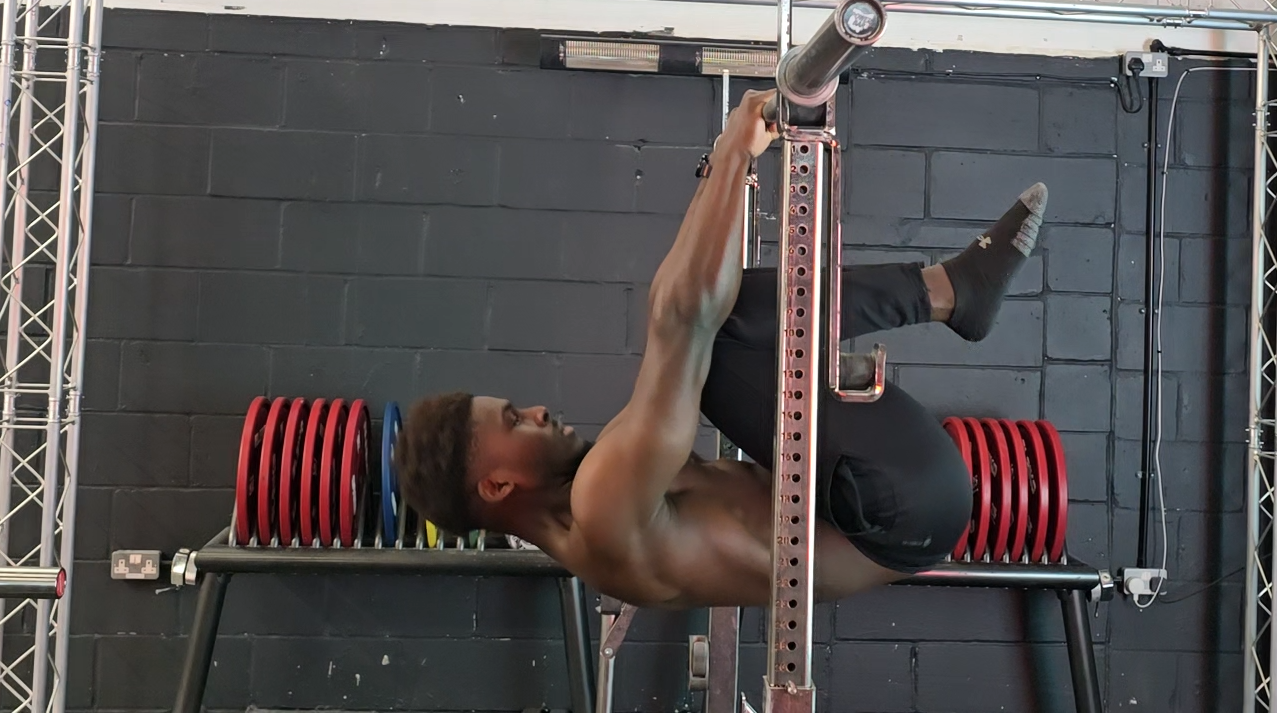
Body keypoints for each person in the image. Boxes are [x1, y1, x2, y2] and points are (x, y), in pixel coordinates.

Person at [396, 89, 1047, 609]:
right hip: (900, 507)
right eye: (514, 421)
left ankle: (950, 293)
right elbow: (680, 319)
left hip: (893, 507)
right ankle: (949, 293)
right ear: (497, 484)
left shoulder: (592, 515)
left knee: (707, 342)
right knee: (708, 331)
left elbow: (681, 317)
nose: (537, 412)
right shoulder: (600, 508)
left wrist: (728, 160)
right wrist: (735, 148)